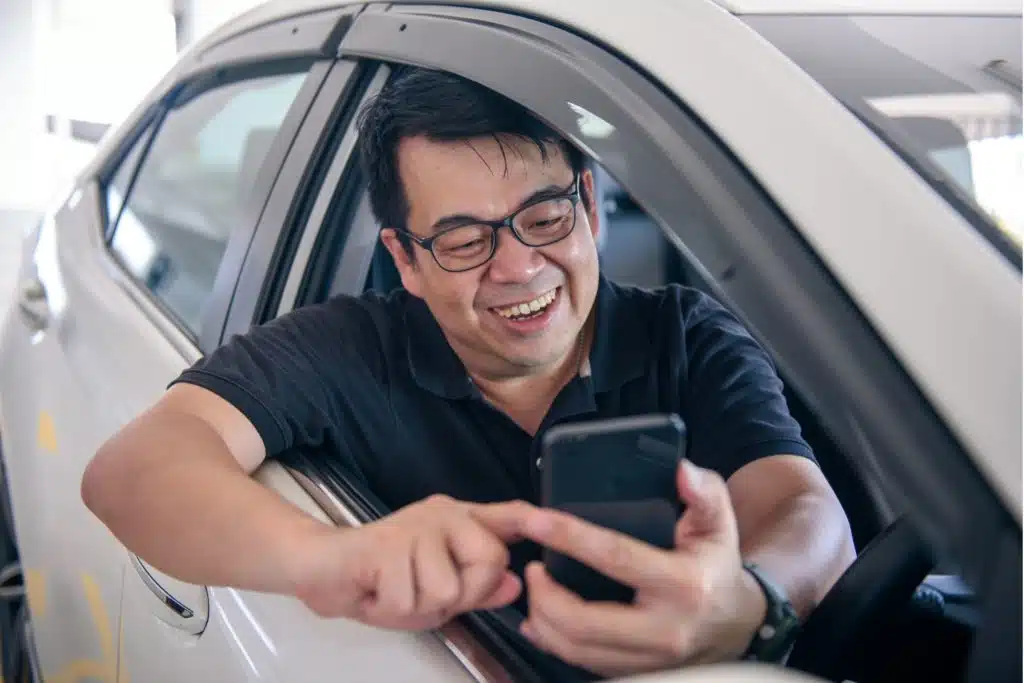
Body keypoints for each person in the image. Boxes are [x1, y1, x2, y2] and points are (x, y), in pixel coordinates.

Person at [81, 66, 855, 678]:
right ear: (406, 261)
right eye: (462, 240)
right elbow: (133, 469)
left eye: (544, 216)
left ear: (587, 204)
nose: (519, 266)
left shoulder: (686, 335)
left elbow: (802, 507)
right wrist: (332, 556)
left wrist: (751, 599)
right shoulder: (351, 349)